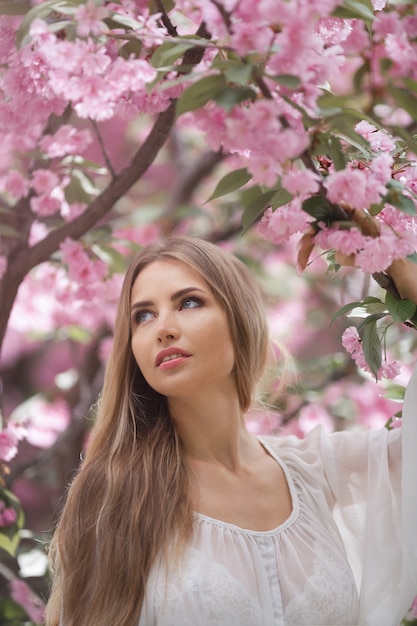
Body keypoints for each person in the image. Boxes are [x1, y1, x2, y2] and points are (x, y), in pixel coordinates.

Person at [45, 235, 417, 626]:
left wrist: (395, 264)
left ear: (239, 319)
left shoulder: (317, 470)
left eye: (188, 302)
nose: (163, 329)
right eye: (143, 315)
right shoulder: (117, 490)